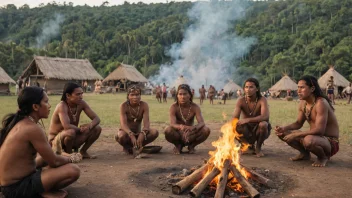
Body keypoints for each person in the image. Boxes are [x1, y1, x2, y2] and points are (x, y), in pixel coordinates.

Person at [0, 87, 81, 198]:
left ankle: (41, 188)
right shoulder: (31, 128)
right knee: (73, 170)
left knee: (44, 160)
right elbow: (54, 161)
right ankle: (41, 192)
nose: (49, 105)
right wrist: (71, 159)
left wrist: (64, 156)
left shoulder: (21, 122)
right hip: (16, 188)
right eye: (46, 102)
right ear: (35, 107)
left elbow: (48, 155)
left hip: (10, 184)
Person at [275, 76, 339, 167]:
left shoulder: (321, 103)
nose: (298, 90)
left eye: (302, 87)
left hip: (330, 142)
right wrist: (284, 128)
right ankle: (304, 154)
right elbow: (298, 123)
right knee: (283, 133)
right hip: (315, 138)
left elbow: (320, 130)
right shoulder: (303, 103)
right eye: (298, 87)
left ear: (312, 89)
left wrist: (296, 134)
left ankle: (323, 157)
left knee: (308, 140)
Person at [49, 82, 102, 159]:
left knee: (97, 128)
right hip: (56, 141)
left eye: (81, 94)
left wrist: (89, 127)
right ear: (68, 95)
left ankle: (83, 152)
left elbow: (96, 119)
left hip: (71, 136)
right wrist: (80, 129)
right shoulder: (62, 106)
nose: (81, 97)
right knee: (71, 132)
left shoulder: (81, 104)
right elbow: (66, 126)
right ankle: (69, 154)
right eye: (78, 94)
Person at [164, 84, 211, 154]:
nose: (182, 97)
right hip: (178, 134)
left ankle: (192, 146)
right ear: (177, 95)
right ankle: (178, 145)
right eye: (180, 94)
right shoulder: (173, 107)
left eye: (185, 94)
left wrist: (192, 128)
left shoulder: (195, 107)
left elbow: (201, 123)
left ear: (189, 95)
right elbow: (172, 124)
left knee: (206, 130)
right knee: (168, 130)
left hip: (191, 134)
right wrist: (181, 127)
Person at [115, 85, 159, 155]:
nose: (135, 97)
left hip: (138, 134)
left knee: (154, 132)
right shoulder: (124, 106)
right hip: (127, 134)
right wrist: (131, 134)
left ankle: (138, 145)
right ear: (128, 96)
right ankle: (127, 147)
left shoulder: (144, 105)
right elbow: (123, 125)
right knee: (120, 135)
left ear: (140, 96)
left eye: (137, 95)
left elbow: (146, 124)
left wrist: (142, 133)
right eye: (132, 95)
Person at [233, 78, 270, 157]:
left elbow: (265, 116)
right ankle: (247, 146)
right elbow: (234, 118)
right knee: (234, 125)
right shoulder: (241, 100)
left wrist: (248, 120)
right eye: (246, 87)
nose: (248, 89)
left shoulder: (262, 100)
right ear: (243, 89)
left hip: (259, 128)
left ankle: (258, 147)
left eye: (251, 87)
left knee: (263, 124)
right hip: (246, 129)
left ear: (257, 89)